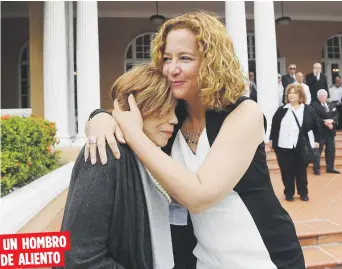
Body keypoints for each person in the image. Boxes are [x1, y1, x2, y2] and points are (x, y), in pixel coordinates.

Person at [85, 11, 305, 269]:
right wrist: (100, 118)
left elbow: (199, 196)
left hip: (261, 256)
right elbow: (126, 108)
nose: (171, 69)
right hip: (203, 259)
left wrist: (133, 135)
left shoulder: (244, 113)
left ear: (212, 62)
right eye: (167, 58)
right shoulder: (171, 117)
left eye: (185, 58)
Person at [58, 64, 176, 269]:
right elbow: (80, 257)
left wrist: (99, 115)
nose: (174, 119)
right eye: (166, 109)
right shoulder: (106, 154)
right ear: (135, 108)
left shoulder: (150, 151)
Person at [269, 84, 320, 202]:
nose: (291, 95)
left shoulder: (308, 110)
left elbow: (316, 126)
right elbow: (275, 127)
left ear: (300, 95)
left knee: (301, 171)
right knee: (286, 171)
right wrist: (272, 140)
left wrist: (316, 141)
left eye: (294, 93)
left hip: (301, 146)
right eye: (290, 93)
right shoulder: (282, 110)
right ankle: (289, 192)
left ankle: (303, 192)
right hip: (283, 146)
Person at [311, 89, 340, 175]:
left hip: (331, 131)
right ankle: (316, 169)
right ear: (318, 96)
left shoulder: (331, 104)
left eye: (325, 95)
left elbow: (336, 114)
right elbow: (315, 117)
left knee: (331, 150)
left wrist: (332, 121)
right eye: (322, 95)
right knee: (318, 151)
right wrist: (325, 122)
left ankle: (330, 168)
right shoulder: (313, 105)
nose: (323, 97)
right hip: (320, 132)